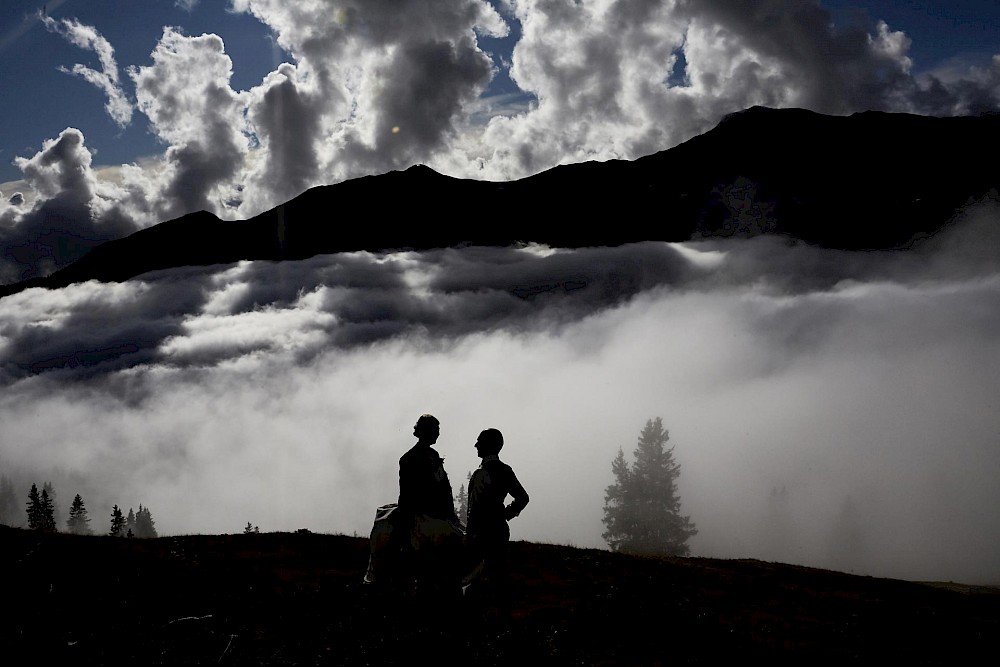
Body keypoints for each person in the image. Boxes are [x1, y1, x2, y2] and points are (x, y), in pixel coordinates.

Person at [464, 428, 529, 616]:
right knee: (496, 574)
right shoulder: (505, 471)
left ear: (488, 445)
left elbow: (474, 509)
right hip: (498, 530)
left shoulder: (482, 473)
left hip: (481, 532)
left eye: (479, 441)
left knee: (479, 575)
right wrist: (505, 515)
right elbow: (522, 498)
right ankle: (501, 615)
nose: (475, 445)